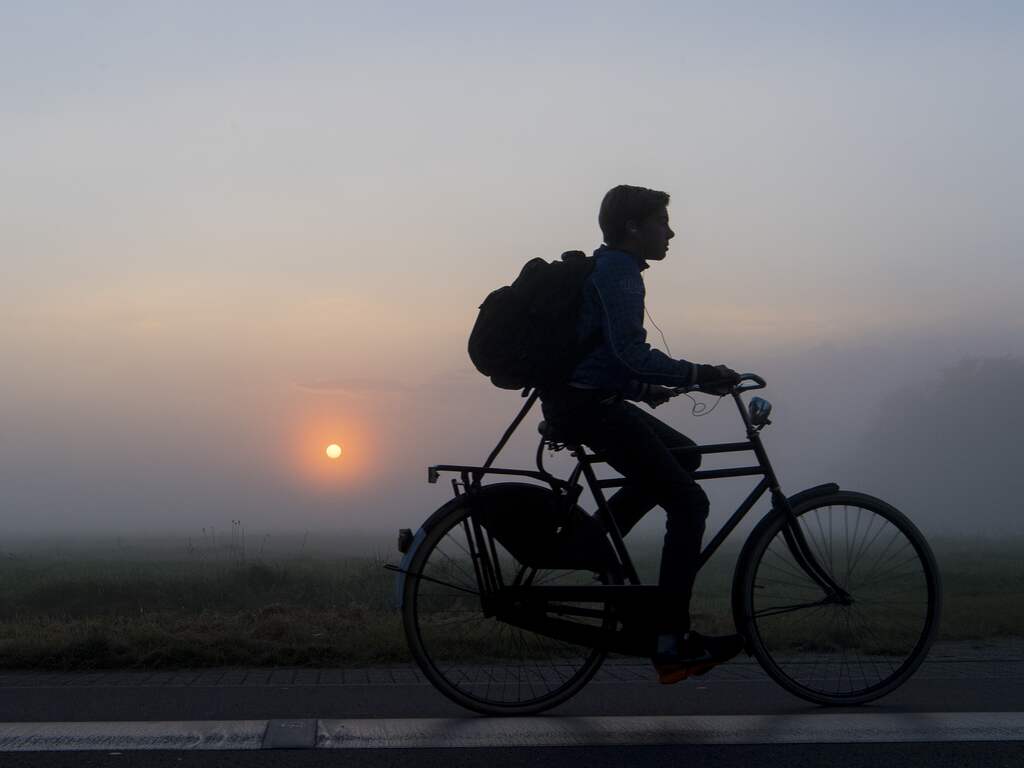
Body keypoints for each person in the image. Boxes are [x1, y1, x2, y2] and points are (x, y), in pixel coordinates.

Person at [539, 184, 745, 684]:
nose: (670, 232)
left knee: (685, 456)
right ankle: (670, 643)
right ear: (633, 227)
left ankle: (596, 544)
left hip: (585, 400)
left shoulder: (610, 268)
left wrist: (644, 388)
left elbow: (607, 355)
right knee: (690, 504)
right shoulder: (620, 273)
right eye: (662, 221)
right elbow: (629, 351)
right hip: (590, 408)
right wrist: (699, 374)